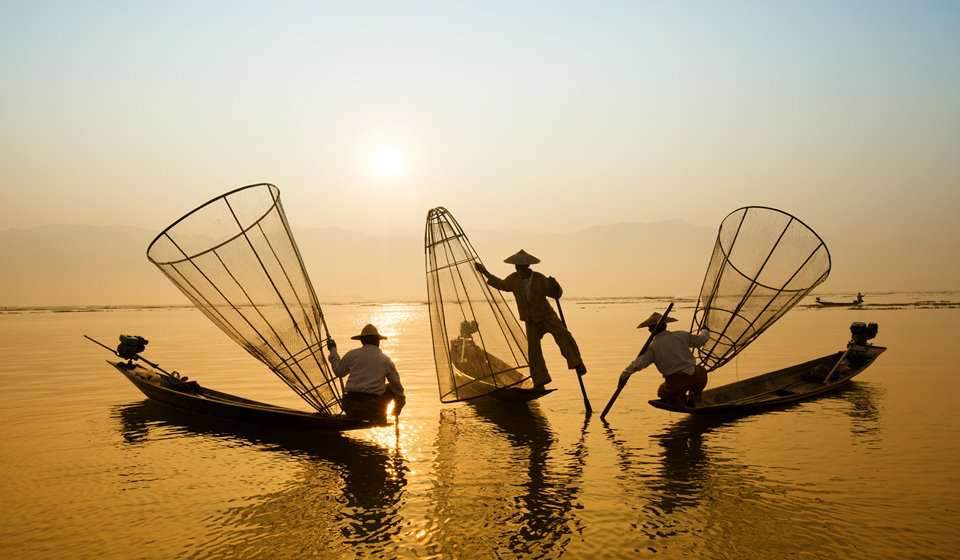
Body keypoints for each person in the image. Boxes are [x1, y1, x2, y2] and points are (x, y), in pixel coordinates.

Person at [474, 249, 586, 390]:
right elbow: (502, 285)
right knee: (533, 351)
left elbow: (555, 294)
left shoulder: (539, 278)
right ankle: (540, 381)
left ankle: (577, 363)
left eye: (520, 266)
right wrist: (485, 272)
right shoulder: (514, 279)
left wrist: (555, 286)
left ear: (527, 266)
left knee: (563, 336)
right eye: (516, 266)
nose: (518, 269)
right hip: (530, 319)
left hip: (547, 316)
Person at [619, 312, 710, 407]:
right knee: (700, 371)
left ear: (650, 330)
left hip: (677, 382)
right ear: (665, 325)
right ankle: (694, 397)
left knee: (661, 392)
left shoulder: (652, 347)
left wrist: (624, 374)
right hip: (698, 376)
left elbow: (637, 364)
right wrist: (705, 331)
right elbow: (701, 340)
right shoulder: (681, 335)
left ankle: (681, 398)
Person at [327, 324, 406, 421]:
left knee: (390, 388)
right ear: (378, 341)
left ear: (362, 341)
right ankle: (381, 415)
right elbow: (398, 388)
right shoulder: (386, 360)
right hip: (372, 408)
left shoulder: (352, 354)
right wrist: (397, 408)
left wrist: (333, 350)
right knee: (392, 387)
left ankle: (370, 413)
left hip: (350, 406)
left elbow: (339, 372)